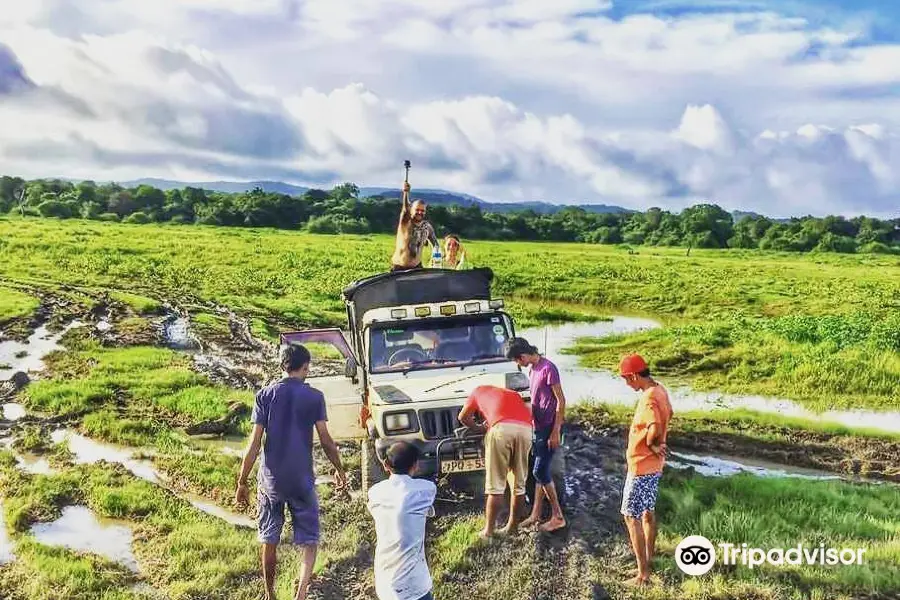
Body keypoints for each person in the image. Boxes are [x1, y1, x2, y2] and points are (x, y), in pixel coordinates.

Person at [235, 344, 348, 600]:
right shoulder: (314, 397)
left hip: (271, 482)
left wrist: (242, 481)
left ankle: (270, 594)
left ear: (282, 366)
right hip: (301, 481)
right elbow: (326, 440)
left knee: (269, 539)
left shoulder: (264, 395)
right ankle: (300, 595)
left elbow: (254, 444)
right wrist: (339, 469)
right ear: (305, 367)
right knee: (309, 541)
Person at [618, 353, 673, 587]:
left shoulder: (649, 398)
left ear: (633, 376)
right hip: (653, 466)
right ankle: (647, 559)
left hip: (641, 464)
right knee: (647, 512)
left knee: (630, 516)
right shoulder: (660, 389)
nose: (627, 384)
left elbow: (655, 424)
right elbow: (669, 414)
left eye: (626, 380)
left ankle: (642, 575)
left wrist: (652, 443)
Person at [505, 337, 567, 533]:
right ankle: (535, 514)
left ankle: (558, 516)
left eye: (517, 360)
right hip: (538, 428)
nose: (518, 364)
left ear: (522, 356)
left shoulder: (548, 368)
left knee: (539, 472)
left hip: (550, 428)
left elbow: (561, 401)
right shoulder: (532, 369)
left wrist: (556, 431)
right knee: (542, 471)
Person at [458, 384, 533, 538]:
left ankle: (488, 531)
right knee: (519, 484)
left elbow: (463, 417)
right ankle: (512, 527)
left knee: (495, 484)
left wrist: (479, 428)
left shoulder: (477, 390)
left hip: (501, 429)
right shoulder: (513, 393)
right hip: (526, 429)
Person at [367, 441, 438, 600]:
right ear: (416, 465)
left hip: (385, 584)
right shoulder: (426, 489)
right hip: (415, 586)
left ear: (386, 465)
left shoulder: (375, 492)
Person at [391, 180, 438, 271]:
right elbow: (405, 209)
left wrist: (436, 260)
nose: (420, 212)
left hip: (417, 267)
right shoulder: (405, 222)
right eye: (417, 210)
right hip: (399, 268)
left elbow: (436, 245)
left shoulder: (427, 227)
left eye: (422, 210)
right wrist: (406, 193)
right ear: (411, 210)